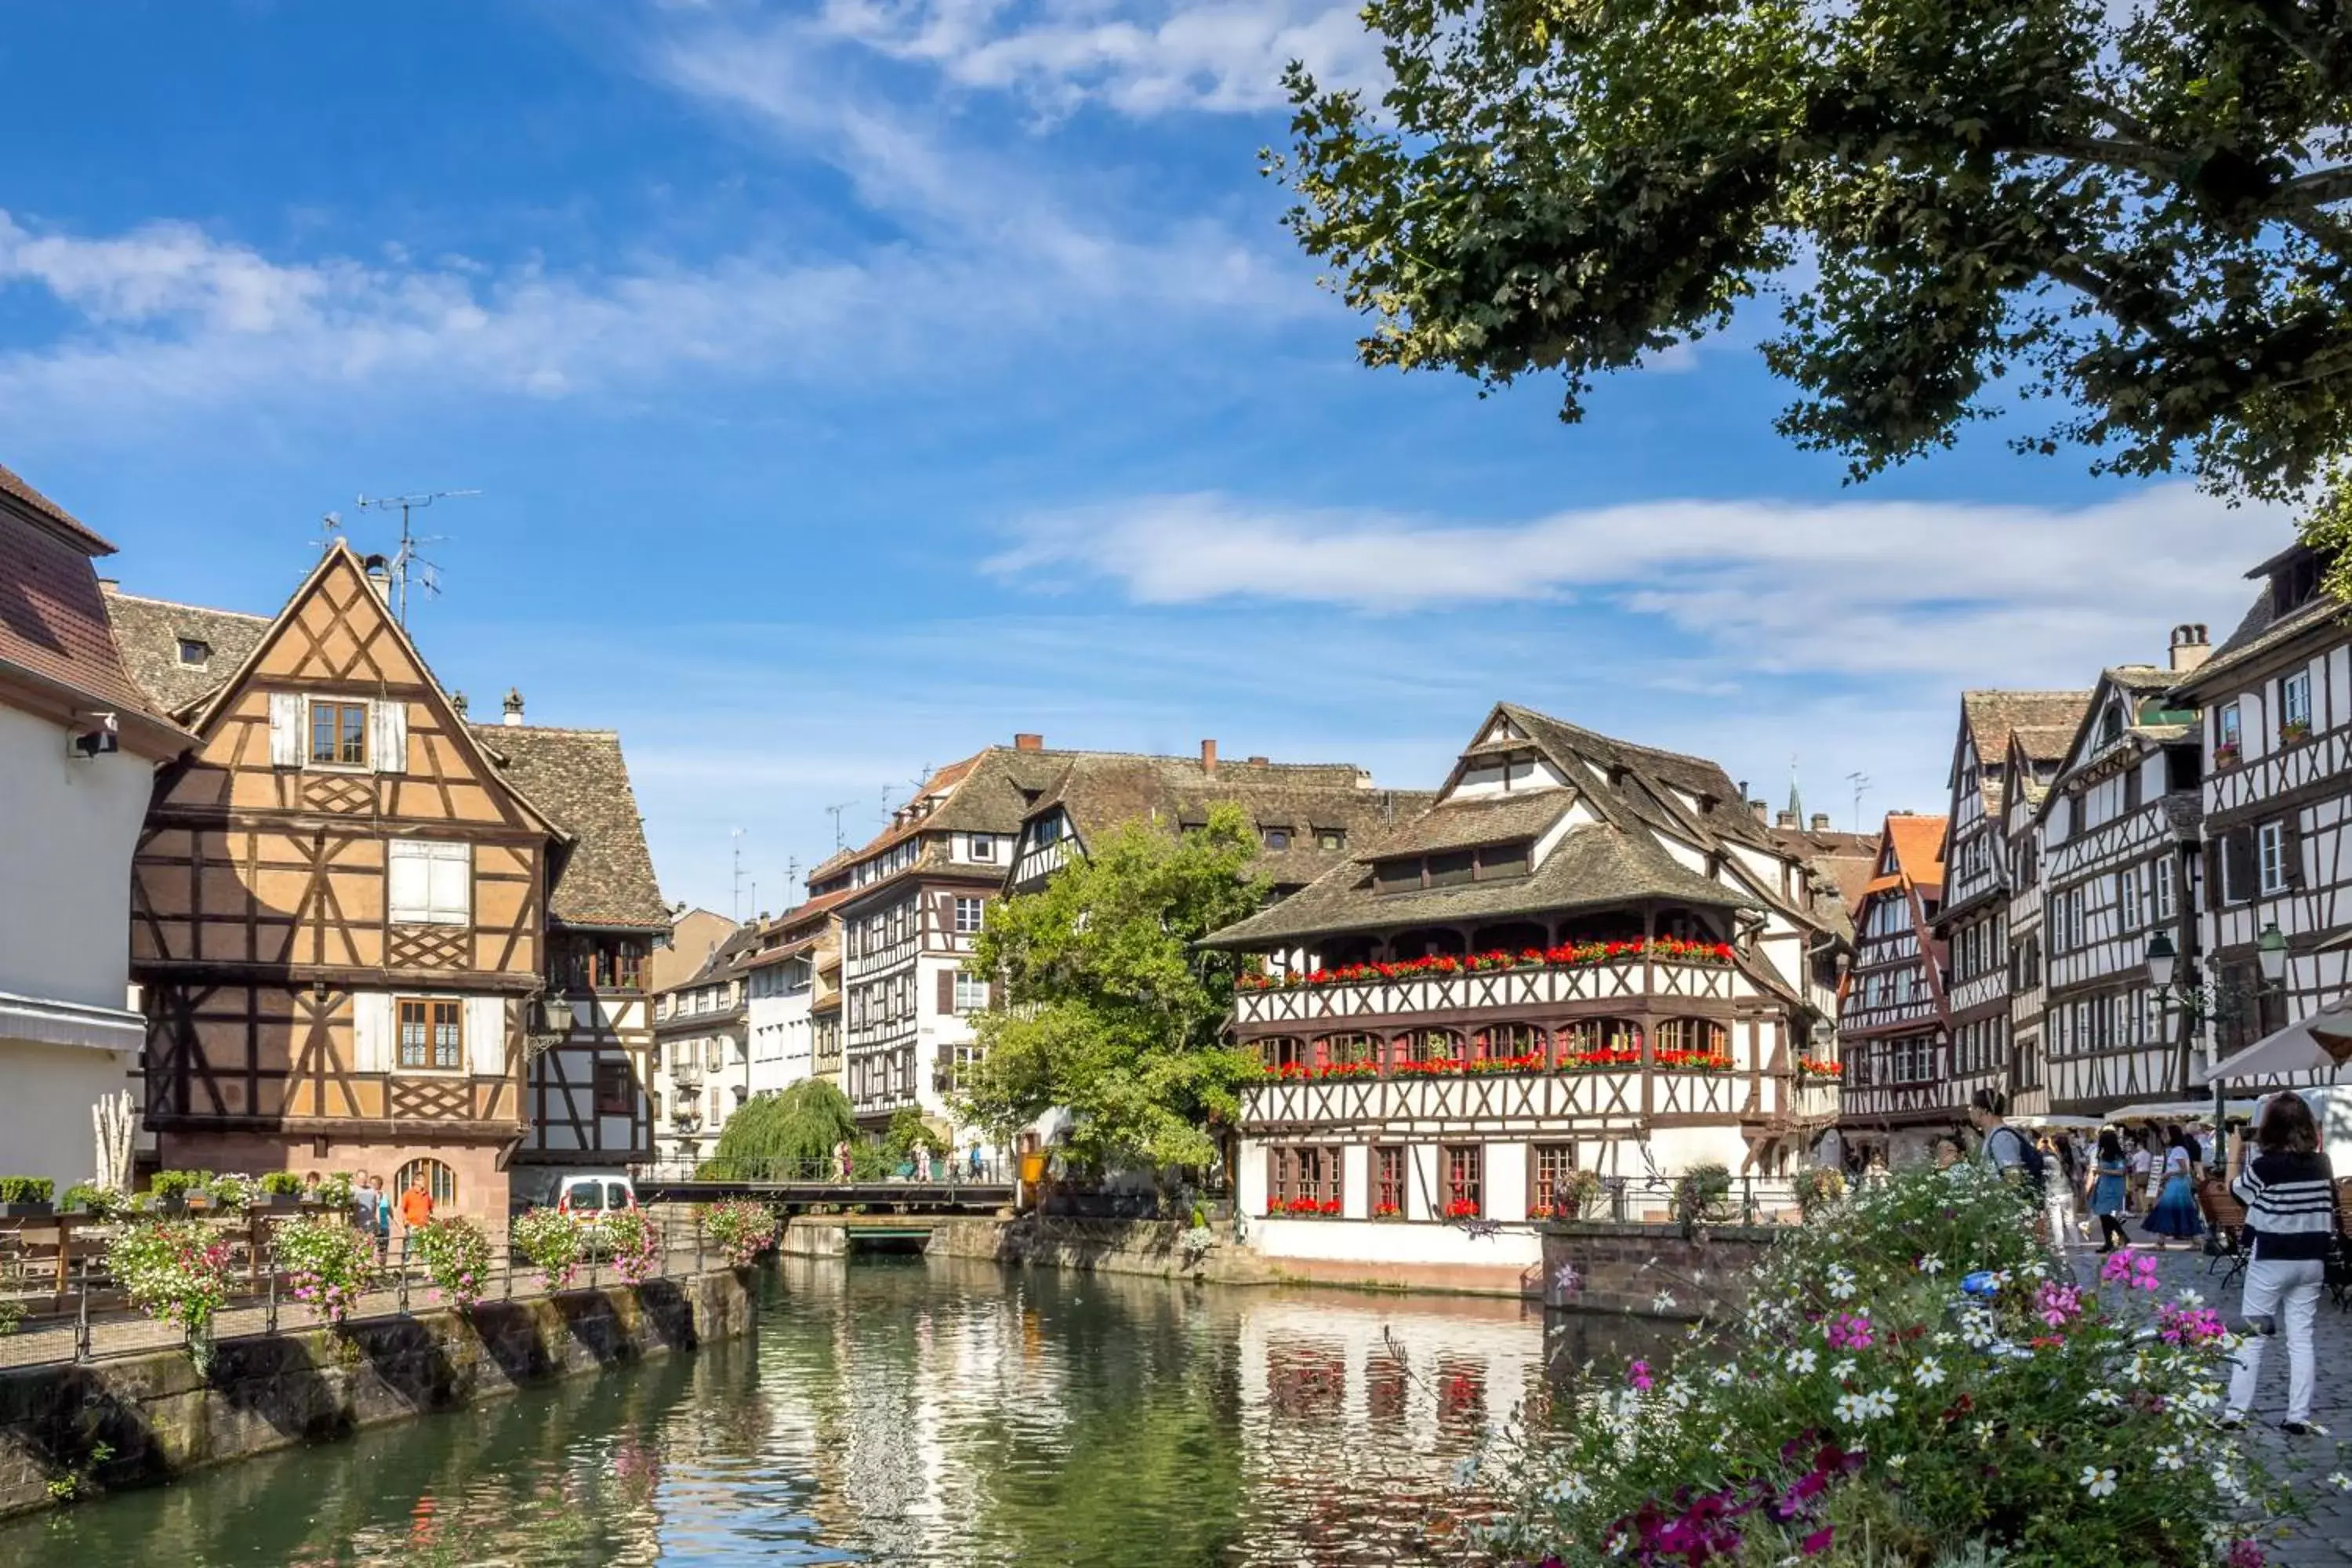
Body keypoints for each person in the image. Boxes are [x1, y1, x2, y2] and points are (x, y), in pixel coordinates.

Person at [2223, 1094, 2338, 1435]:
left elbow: (2237, 1193)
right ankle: (2297, 1416)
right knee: (2301, 1338)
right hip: (2312, 1260)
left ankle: (2234, 1413)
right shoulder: (2323, 1163)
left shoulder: (2264, 1166)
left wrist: (2234, 1153)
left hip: (2273, 1257)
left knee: (2252, 1336)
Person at [2141, 1126, 2205, 1247]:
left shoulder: (2178, 1150)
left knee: (2166, 1210)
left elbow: (2184, 1170)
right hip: (2178, 1184)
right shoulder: (2178, 1150)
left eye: (2167, 1134)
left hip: (2177, 1185)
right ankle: (2196, 1241)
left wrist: (2169, 1174)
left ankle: (2161, 1242)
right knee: (2184, 1211)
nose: (2165, 1137)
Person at [2085, 1129, 2132, 1254]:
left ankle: (2121, 1236)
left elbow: (2121, 1172)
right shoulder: (2103, 1154)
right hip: (2103, 1186)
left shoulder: (2117, 1156)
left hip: (2113, 1188)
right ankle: (2109, 1242)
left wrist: (2102, 1171)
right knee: (2102, 1215)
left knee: (2105, 1214)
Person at [2038, 1134, 2078, 1250]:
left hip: (2053, 1193)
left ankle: (2060, 1246)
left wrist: (2040, 1148)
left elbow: (2035, 1159)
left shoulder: (2049, 1158)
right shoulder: (2069, 1155)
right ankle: (2077, 1245)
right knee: (2070, 1220)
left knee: (2056, 1222)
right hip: (2067, 1191)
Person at [366, 1174, 392, 1263]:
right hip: (372, 1226)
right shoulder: (367, 1196)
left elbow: (390, 1211)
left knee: (382, 1250)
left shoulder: (385, 1196)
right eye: (371, 1184)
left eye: (375, 1184)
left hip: (383, 1226)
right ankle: (368, 1271)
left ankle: (382, 1271)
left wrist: (399, 1225)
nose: (373, 1186)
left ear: (380, 1185)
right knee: (369, 1249)